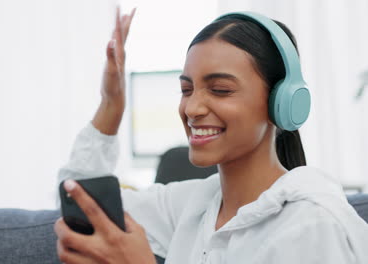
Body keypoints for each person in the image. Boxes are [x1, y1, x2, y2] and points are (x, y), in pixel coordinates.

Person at [54, 7, 368, 264]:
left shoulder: (314, 227)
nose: (192, 107)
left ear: (282, 103)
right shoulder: (193, 206)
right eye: (186, 89)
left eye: (220, 90)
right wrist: (111, 106)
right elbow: (81, 199)